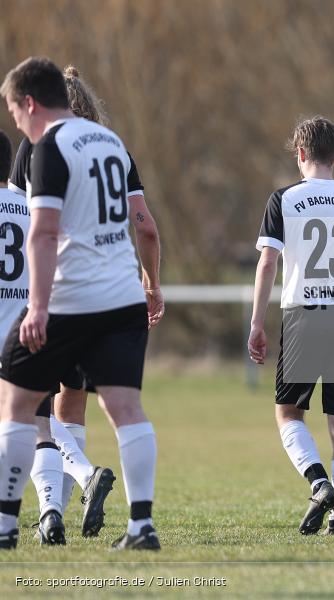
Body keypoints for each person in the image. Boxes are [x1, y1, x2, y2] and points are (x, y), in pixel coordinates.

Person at [0, 57, 160, 550]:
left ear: (30, 103)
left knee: (18, 402)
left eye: (13, 110)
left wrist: (39, 308)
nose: (16, 123)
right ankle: (141, 526)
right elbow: (145, 227)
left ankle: (5, 524)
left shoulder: (45, 148)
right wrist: (152, 283)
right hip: (123, 299)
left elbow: (43, 233)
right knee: (125, 408)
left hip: (72, 297)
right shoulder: (112, 144)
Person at [249, 116, 334, 536]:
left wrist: (256, 323)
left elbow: (268, 261)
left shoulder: (283, 200)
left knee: (288, 414)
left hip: (304, 316)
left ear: (300, 154)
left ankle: (318, 482)